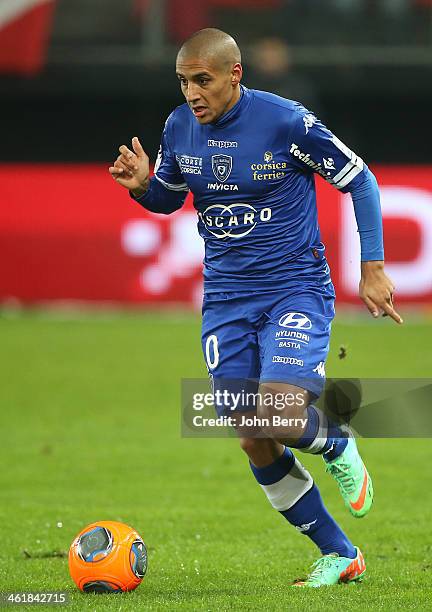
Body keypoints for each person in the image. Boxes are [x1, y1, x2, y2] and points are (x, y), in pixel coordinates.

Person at [109, 28, 402, 587]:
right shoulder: (178, 126)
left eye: (203, 80)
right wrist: (143, 186)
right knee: (250, 432)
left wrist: (372, 268)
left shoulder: (285, 122)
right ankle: (339, 554)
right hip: (225, 300)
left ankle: (336, 443)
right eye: (184, 82)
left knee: (279, 413)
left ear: (233, 75)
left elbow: (360, 180)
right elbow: (170, 197)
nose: (193, 93)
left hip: (295, 290)